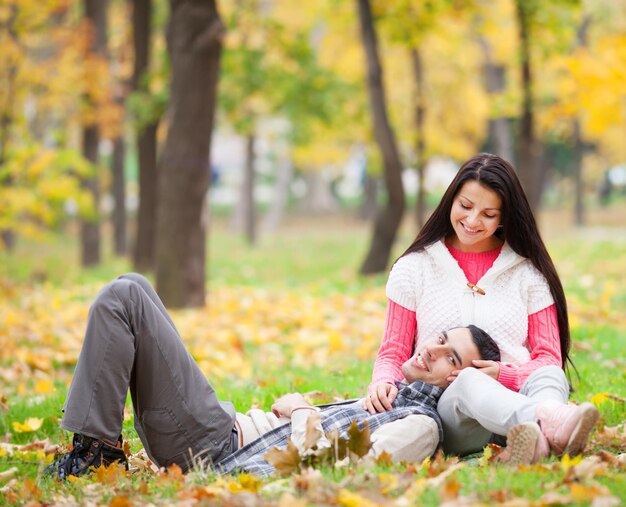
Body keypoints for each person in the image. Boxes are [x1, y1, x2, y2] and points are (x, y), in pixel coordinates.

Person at [44, 272, 501, 479]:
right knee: (135, 285)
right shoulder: (398, 398)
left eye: (452, 359)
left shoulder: (421, 426)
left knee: (123, 296)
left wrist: (302, 410)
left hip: (216, 451)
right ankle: (95, 449)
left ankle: (91, 456)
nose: (434, 347)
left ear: (460, 382)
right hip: (220, 433)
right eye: (441, 336)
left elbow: (339, 472)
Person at [365, 152, 599, 463]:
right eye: (465, 206)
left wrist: (504, 375)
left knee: (551, 376)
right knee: (469, 381)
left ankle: (534, 440)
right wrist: (382, 379)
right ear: (451, 199)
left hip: (516, 402)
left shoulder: (527, 273)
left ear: (504, 217)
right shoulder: (414, 268)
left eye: (488, 214)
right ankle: (550, 425)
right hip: (450, 417)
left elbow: (548, 357)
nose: (473, 221)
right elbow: (393, 350)